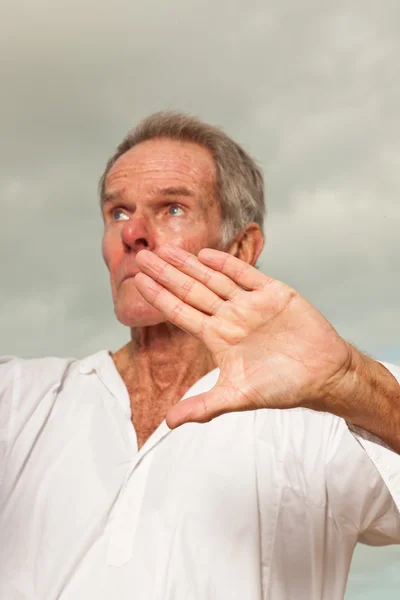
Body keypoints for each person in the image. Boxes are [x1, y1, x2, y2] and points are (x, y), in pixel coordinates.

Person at [0, 111, 399, 600]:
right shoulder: (18, 399)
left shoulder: (320, 415)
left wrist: (348, 378)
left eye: (172, 209)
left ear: (241, 246)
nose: (133, 234)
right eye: (118, 212)